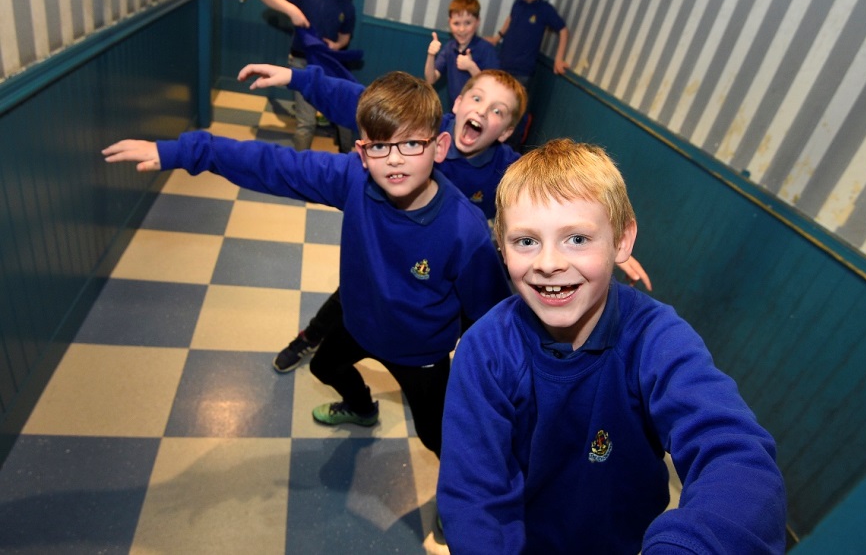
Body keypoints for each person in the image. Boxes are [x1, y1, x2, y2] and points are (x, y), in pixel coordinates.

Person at [102, 72, 512, 460]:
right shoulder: (355, 179)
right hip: (360, 325)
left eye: (411, 145)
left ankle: (456, 500)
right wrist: (188, 151)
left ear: (438, 148)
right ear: (362, 153)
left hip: (419, 353)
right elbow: (275, 165)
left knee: (435, 435)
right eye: (380, 147)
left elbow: (489, 316)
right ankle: (361, 408)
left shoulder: (465, 230)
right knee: (324, 365)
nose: (395, 160)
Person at [436, 139, 787, 553]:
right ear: (502, 246)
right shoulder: (485, 350)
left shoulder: (656, 338)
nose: (548, 263)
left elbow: (738, 458)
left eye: (577, 239)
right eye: (526, 241)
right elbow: (473, 494)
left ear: (622, 241)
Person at [237, 62, 653, 373]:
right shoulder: (419, 128)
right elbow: (357, 101)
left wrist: (602, 233)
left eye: (498, 112)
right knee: (352, 294)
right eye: (476, 98)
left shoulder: (503, 170)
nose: (483, 112)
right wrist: (298, 79)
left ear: (506, 132)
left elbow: (552, 197)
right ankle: (312, 335)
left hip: (437, 265)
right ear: (456, 104)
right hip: (382, 259)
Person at [260, 0, 355, 151]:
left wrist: (336, 45)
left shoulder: (347, 7)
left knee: (345, 114)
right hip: (302, 62)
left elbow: (345, 37)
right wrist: (292, 10)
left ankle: (348, 161)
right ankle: (298, 170)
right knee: (307, 123)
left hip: (329, 63)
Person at [485, 0, 569, 149]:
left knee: (515, 111)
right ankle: (491, 141)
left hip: (523, 72)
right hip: (503, 66)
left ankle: (511, 149)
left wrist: (559, 58)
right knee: (497, 104)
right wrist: (497, 37)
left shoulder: (545, 10)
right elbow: (510, 18)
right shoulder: (518, 4)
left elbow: (563, 30)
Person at [425, 0, 500, 108]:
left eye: (467, 23)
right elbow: (431, 79)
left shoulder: (486, 49)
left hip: (479, 113)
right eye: (456, 23)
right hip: (454, 110)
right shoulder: (450, 48)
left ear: (477, 22)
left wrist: (471, 67)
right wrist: (431, 55)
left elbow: (493, 87)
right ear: (449, 22)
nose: (461, 29)